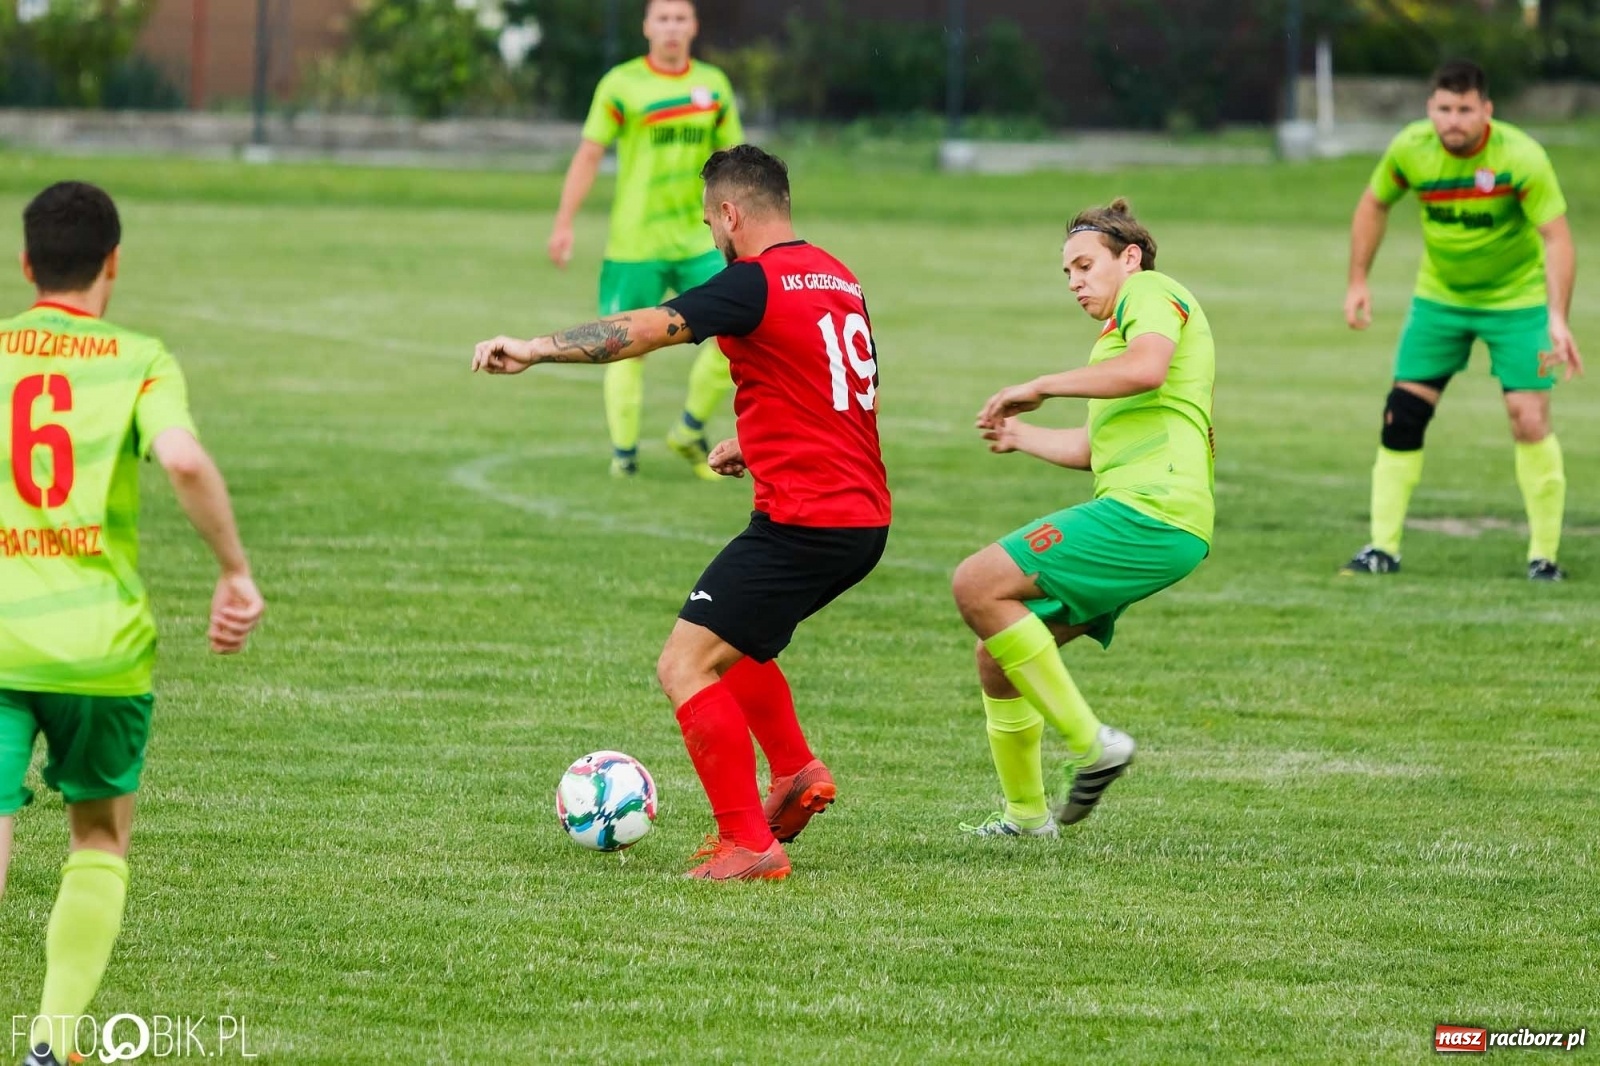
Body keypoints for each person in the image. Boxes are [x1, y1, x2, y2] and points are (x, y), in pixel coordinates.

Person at [475, 146, 890, 881]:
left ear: (731, 214)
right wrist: (757, 445)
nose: (711, 237)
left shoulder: (749, 282)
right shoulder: (838, 276)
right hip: (856, 517)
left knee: (685, 663)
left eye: (709, 222)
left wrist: (536, 348)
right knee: (730, 642)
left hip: (807, 522)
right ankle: (793, 772)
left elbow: (641, 329)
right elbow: (841, 392)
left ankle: (747, 845)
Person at [1, 182, 264, 1066]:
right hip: (100, 649)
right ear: (114, 262)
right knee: (98, 838)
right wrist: (233, 571)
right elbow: (183, 457)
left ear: (26, 262)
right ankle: (52, 1039)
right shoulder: (140, 355)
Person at [952, 199, 1214, 838]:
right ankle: (1025, 817)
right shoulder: (1112, 343)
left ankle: (1093, 745)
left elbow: (1147, 369)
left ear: (1130, 257)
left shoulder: (1152, 291)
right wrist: (1022, 438)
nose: (1074, 281)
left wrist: (1043, 384)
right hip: (1149, 515)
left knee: (977, 582)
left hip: (1154, 509)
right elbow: (1095, 450)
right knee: (998, 658)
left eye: (1084, 265)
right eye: (1067, 271)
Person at [1342, 59, 1582, 580]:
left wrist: (1557, 317)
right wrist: (1359, 279)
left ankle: (1544, 557)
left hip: (1517, 304)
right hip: (1440, 300)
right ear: (1431, 108)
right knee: (1401, 414)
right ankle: (1382, 548)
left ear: (1486, 111)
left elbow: (1557, 237)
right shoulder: (1411, 148)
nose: (1453, 120)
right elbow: (1373, 203)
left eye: (1465, 110)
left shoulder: (1521, 157)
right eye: (1444, 109)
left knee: (1530, 418)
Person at [547, 0, 745, 480]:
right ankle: (625, 456)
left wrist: (741, 227)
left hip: (701, 242)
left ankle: (689, 429)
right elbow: (589, 155)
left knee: (740, 335)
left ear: (694, 26)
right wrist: (564, 221)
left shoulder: (713, 86)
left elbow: (733, 164)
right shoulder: (621, 85)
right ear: (646, 27)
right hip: (634, 244)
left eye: (681, 18)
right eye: (663, 18)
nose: (672, 28)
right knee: (620, 342)